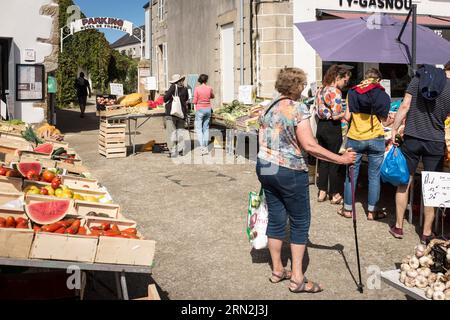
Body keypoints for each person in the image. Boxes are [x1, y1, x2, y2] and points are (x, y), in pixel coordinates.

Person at [256, 67, 356, 293]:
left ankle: (277, 270)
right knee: (300, 222)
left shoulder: (268, 107)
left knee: (276, 218)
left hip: (266, 166)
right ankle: (298, 279)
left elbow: (263, 139)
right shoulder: (297, 109)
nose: (303, 88)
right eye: (302, 84)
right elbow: (310, 146)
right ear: (297, 86)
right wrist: (341, 159)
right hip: (289, 170)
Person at [390, 63, 450, 244]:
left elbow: (405, 105)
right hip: (435, 142)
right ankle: (426, 232)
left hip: (412, 137)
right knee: (431, 187)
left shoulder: (418, 78)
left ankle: (399, 226)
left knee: (404, 182)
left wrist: (394, 129)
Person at [340, 68, 393, 219]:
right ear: (378, 79)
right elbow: (384, 120)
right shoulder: (382, 94)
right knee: (374, 176)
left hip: (355, 137)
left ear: (365, 78)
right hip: (375, 137)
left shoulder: (352, 92)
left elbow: (347, 116)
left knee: (351, 174)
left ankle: (348, 209)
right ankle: (372, 211)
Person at [315, 65, 352, 204]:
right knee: (335, 159)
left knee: (323, 159)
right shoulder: (335, 92)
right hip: (332, 127)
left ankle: (322, 191)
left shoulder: (321, 89)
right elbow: (336, 116)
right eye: (345, 81)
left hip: (321, 126)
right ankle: (335, 194)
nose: (345, 84)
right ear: (338, 78)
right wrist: (348, 111)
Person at [164, 74, 189, 158]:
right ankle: (181, 150)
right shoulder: (185, 89)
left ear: (175, 81)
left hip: (172, 113)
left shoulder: (173, 87)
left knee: (171, 132)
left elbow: (165, 98)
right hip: (181, 113)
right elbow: (186, 99)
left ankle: (173, 151)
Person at [192, 74, 215, 155]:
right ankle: (205, 146)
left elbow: (194, 101)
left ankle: (202, 147)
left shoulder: (197, 89)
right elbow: (212, 96)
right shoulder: (209, 88)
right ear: (206, 80)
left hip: (200, 109)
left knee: (199, 128)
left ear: (199, 80)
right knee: (206, 128)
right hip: (208, 109)